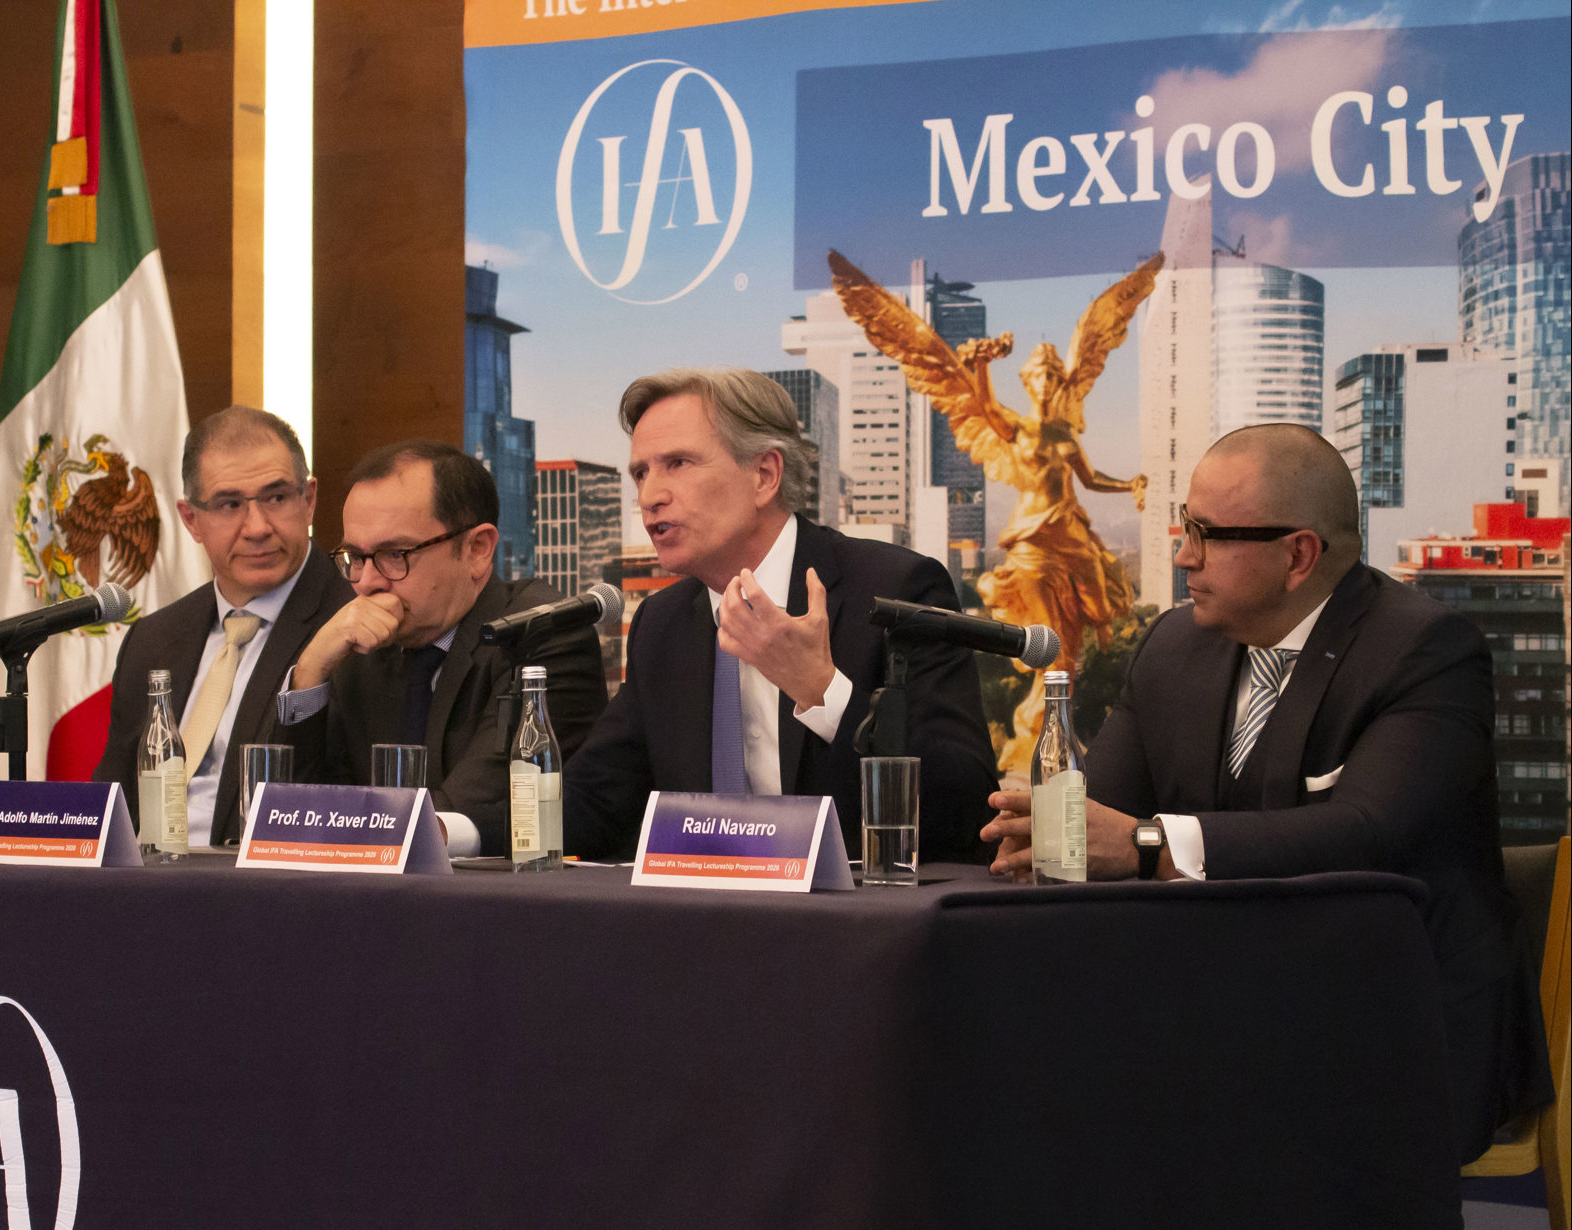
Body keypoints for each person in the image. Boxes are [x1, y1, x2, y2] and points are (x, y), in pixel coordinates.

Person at [980, 423, 1552, 1162]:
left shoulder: (1426, 650)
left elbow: (1367, 830)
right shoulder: (1174, 644)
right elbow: (1097, 821)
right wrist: (1043, 834)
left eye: (1209, 534)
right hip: (1214, 1007)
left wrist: (1149, 845)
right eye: (1185, 526)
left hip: (1387, 1018)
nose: (1184, 554)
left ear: (1299, 555)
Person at [563, 368, 999, 862]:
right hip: (698, 906)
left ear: (764, 476)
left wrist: (821, 691)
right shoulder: (661, 623)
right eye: (641, 473)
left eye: (678, 463)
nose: (649, 496)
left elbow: (967, 809)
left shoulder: (895, 592)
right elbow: (594, 802)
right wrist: (486, 826)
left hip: (856, 905)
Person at [277, 440, 609, 856]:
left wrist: (348, 826)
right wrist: (310, 670)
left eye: (395, 554)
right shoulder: (358, 646)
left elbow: (477, 805)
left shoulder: (541, 636)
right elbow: (287, 815)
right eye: (356, 557)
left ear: (477, 549)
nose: (367, 583)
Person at [92, 406, 353, 846]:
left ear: (308, 500)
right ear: (191, 520)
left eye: (276, 498)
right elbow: (113, 799)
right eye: (230, 505)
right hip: (143, 878)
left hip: (263, 880)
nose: (257, 527)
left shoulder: (349, 627)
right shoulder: (153, 639)